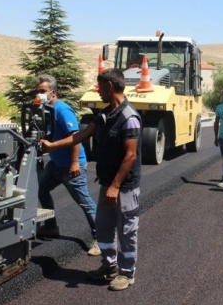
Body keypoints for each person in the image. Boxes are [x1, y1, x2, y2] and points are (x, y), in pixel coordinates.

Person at [41, 69, 142, 291]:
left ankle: (127, 272)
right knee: (104, 229)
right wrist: (52, 146)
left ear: (108, 86)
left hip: (123, 187)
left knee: (126, 230)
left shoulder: (129, 117)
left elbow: (130, 155)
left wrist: (115, 186)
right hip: (107, 183)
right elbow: (80, 135)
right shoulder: (105, 114)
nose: (97, 91)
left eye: (99, 87)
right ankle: (109, 266)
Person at [34, 75, 100, 256]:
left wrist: (73, 163)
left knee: (84, 202)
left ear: (53, 92)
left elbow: (75, 138)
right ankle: (51, 227)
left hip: (71, 166)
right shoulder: (45, 109)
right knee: (42, 190)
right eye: (37, 91)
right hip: (56, 164)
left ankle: (100, 238)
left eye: (42, 91)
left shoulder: (62, 110)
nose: (39, 95)